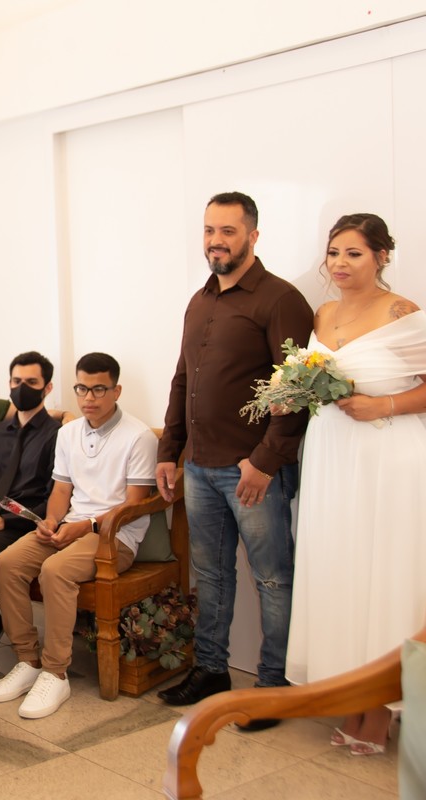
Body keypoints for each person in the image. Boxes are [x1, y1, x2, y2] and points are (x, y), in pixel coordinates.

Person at [285, 213, 426, 755]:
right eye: (334, 253)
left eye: (354, 253)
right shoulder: (324, 311)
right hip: (332, 456)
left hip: (388, 457)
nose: (340, 264)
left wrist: (384, 403)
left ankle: (383, 710)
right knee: (343, 572)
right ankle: (355, 693)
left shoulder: (402, 312)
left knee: (385, 575)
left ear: (382, 256)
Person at [155, 192, 313, 729]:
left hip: (252, 472)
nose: (216, 240)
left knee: (273, 579)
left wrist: (265, 461)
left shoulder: (280, 299)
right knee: (212, 575)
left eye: (227, 230)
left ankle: (273, 688)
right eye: (208, 230)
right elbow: (183, 380)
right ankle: (213, 671)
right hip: (199, 466)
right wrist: (169, 451)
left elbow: (297, 391)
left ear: (253, 235)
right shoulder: (199, 300)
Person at [0, 353, 157, 719]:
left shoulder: (138, 437)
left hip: (115, 537)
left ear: (116, 390)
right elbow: (61, 490)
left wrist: (87, 526)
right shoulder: (68, 432)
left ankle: (55, 671)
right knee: (7, 563)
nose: (88, 397)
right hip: (70, 526)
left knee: (56, 571)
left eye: (98, 389)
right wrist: (49, 520)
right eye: (82, 388)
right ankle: (28, 660)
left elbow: (134, 505)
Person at [0, 351, 60, 659]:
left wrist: (1, 522)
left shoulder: (57, 435)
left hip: (22, 524)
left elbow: (52, 496)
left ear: (47, 388)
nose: (22, 387)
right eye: (16, 381)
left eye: (32, 382)